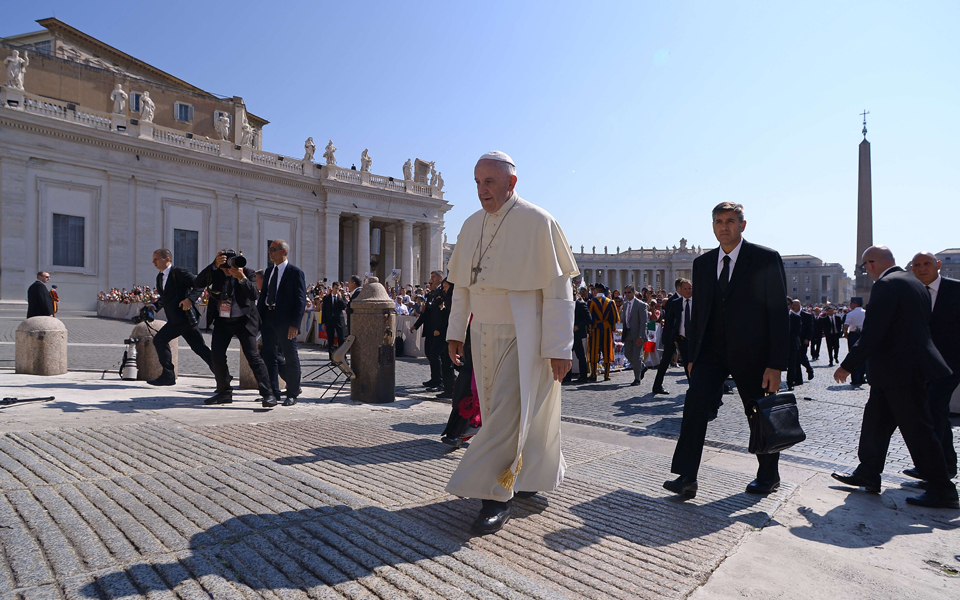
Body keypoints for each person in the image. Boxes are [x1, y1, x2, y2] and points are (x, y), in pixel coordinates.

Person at [445, 150, 578, 534]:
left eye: (490, 182)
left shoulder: (539, 221)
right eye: (477, 183)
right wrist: (456, 331)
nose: (482, 191)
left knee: (505, 415)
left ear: (511, 183)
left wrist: (558, 347)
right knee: (505, 412)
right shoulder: (471, 225)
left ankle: (493, 496)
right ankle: (521, 476)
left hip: (524, 333)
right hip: (481, 331)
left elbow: (558, 290)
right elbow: (462, 288)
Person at [664, 202, 789, 499]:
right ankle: (686, 476)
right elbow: (698, 315)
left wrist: (776, 363)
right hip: (711, 352)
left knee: (757, 413)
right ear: (713, 226)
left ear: (742, 225)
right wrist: (692, 356)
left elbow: (778, 313)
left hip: (753, 353)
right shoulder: (702, 264)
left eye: (730, 221)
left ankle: (768, 474)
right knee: (694, 407)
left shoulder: (765, 258)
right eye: (719, 221)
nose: (724, 226)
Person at [831, 246, 957, 509]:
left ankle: (942, 489)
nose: (866, 271)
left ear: (873, 263)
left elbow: (874, 332)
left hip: (899, 372)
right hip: (896, 372)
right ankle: (868, 471)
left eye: (866, 266)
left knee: (919, 430)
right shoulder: (913, 283)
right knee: (875, 421)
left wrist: (848, 365)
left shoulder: (887, 285)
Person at [195, 250, 277, 407]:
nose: (227, 270)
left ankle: (268, 394)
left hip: (244, 321)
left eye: (229, 266)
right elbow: (198, 283)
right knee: (217, 356)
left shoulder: (248, 272)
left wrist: (241, 278)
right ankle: (224, 392)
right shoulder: (217, 273)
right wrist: (213, 265)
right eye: (224, 267)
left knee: (253, 356)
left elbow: (254, 295)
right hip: (222, 321)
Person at [904, 251, 959, 485]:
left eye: (926, 264)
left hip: (951, 364)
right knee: (931, 413)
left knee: (935, 407)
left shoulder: (956, 289)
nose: (922, 268)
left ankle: (941, 468)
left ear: (937, 265)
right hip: (922, 365)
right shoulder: (912, 293)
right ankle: (936, 464)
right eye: (916, 265)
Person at [144, 249, 212, 386]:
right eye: (153, 259)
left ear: (167, 259)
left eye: (156, 259)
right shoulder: (159, 277)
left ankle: (168, 375)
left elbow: (200, 284)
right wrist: (155, 306)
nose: (153, 262)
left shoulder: (179, 272)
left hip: (184, 318)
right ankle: (224, 375)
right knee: (199, 348)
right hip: (177, 318)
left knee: (160, 340)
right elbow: (166, 297)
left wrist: (190, 300)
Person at [258, 240, 307, 406]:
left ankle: (292, 392)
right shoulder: (270, 271)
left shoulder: (295, 272)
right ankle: (272, 392)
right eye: (269, 249)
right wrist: (259, 319)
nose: (269, 252)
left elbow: (300, 300)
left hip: (286, 322)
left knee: (290, 356)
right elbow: (264, 295)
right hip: (268, 318)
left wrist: (295, 324)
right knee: (269, 356)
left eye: (273, 249)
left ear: (283, 251)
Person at [411, 271, 445, 390]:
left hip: (438, 330)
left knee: (436, 355)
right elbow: (426, 313)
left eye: (433, 277)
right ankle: (434, 378)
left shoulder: (443, 292)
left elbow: (443, 313)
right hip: (429, 329)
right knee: (429, 353)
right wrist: (416, 325)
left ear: (440, 278)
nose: (431, 279)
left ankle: (439, 382)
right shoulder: (431, 294)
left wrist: (439, 328)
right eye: (431, 277)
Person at [652, 279, 687, 395]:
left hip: (678, 336)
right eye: (685, 288)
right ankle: (657, 385)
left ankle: (657, 385)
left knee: (685, 362)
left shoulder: (681, 300)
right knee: (666, 363)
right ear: (679, 288)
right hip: (672, 337)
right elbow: (670, 321)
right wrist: (673, 338)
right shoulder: (673, 301)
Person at [588, 284, 619, 381]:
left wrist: (590, 328)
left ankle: (593, 374)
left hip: (596, 328)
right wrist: (611, 327)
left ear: (596, 291)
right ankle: (607, 374)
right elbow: (614, 318)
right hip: (606, 328)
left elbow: (589, 317)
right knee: (607, 350)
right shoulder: (610, 302)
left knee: (594, 351)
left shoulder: (592, 302)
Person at [619, 285, 647, 386]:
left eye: (628, 292)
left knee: (636, 356)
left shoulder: (641, 305)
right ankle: (641, 366)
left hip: (638, 333)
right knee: (627, 353)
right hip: (628, 333)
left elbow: (644, 322)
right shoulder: (625, 305)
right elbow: (625, 320)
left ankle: (637, 378)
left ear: (633, 292)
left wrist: (641, 336)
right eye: (625, 293)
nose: (627, 294)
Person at [843, 298, 867, 385]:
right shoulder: (866, 312)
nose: (850, 305)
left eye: (851, 303)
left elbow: (846, 325)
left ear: (855, 304)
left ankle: (855, 378)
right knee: (864, 356)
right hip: (863, 334)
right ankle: (861, 377)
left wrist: (845, 333)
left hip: (853, 335)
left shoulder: (851, 314)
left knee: (853, 355)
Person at [570, 287, 591, 383]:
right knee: (568, 355)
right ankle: (567, 376)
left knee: (580, 356)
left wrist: (578, 326)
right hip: (568, 334)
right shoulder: (567, 305)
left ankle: (583, 376)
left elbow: (588, 318)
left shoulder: (581, 304)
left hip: (577, 333)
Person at [321, 282, 347, 359]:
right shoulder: (326, 298)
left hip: (339, 320)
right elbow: (324, 311)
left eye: (339, 289)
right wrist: (323, 322)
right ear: (332, 288)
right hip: (329, 321)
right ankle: (332, 357)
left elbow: (344, 306)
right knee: (331, 339)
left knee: (341, 339)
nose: (337, 290)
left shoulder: (342, 297)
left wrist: (340, 299)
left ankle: (342, 356)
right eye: (336, 288)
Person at [786, 298, 803, 390]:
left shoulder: (796, 317)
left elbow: (796, 332)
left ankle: (790, 383)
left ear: (791, 305)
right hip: (779, 346)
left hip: (792, 345)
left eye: (788, 304)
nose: (787, 305)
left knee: (792, 365)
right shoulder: (776, 317)